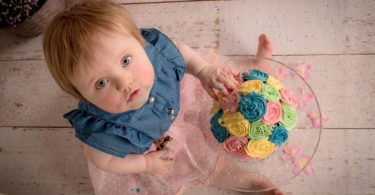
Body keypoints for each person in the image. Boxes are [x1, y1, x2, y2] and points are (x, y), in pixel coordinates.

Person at [43, 0, 282, 194]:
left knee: (226, 88)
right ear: (81, 95)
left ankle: (257, 75)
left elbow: (183, 54)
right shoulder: (104, 129)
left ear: (140, 43)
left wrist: (202, 71)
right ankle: (251, 184)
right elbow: (103, 162)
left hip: (176, 95)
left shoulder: (156, 54)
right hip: (159, 139)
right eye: (101, 83)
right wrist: (145, 164)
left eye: (126, 61)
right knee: (197, 163)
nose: (125, 83)